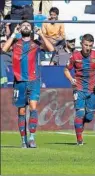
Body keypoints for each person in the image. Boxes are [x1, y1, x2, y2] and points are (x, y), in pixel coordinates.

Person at [2, 20, 55, 148]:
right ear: (20, 29)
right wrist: (14, 34)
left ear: (31, 30)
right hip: (19, 80)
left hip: (34, 80)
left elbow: (51, 48)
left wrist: (41, 34)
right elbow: (4, 49)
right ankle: (23, 140)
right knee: (21, 111)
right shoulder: (16, 44)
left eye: (28, 26)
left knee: (33, 108)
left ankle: (32, 138)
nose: (26, 27)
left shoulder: (36, 44)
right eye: (23, 25)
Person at [64, 34, 95, 145]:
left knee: (88, 117)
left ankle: (81, 125)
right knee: (80, 113)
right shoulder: (74, 56)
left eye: (90, 45)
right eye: (86, 45)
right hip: (78, 88)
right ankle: (79, 140)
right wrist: (71, 79)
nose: (88, 48)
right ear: (81, 44)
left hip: (92, 89)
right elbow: (66, 70)